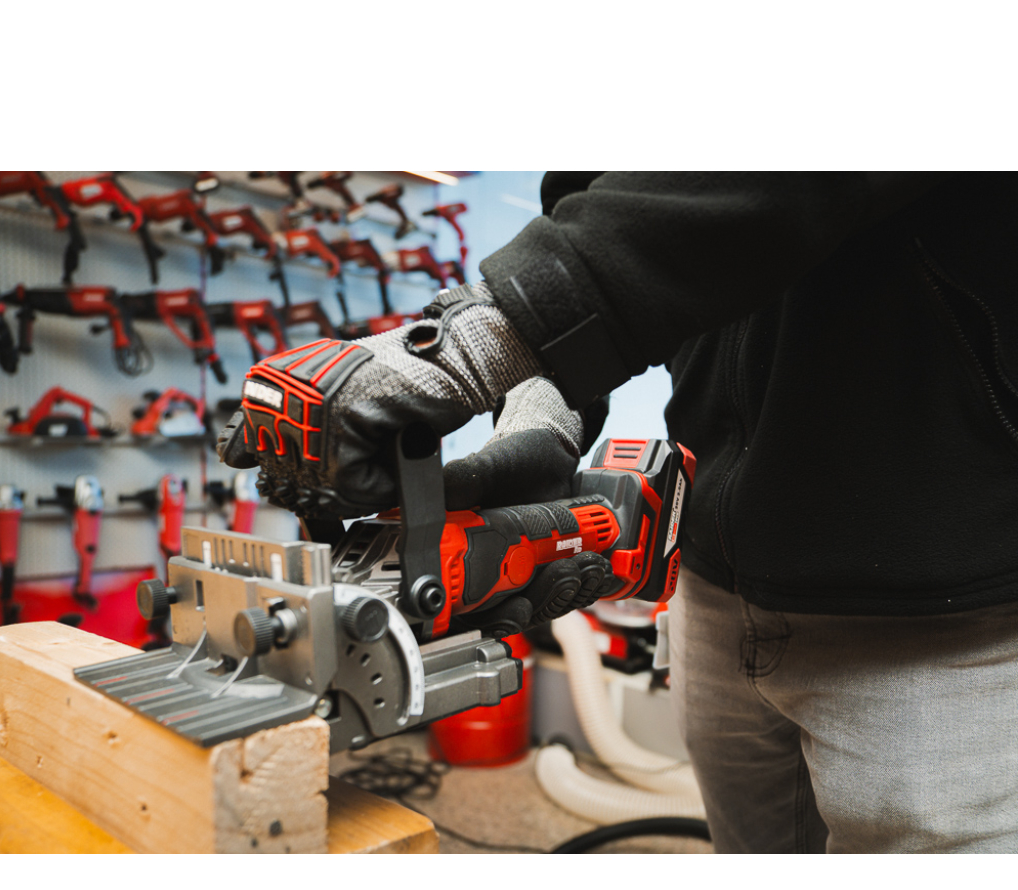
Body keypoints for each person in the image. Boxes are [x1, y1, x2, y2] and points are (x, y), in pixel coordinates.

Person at [220, 172, 1018, 853]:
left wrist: (475, 339)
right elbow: (597, 203)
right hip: (712, 588)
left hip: (936, 616)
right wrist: (542, 411)